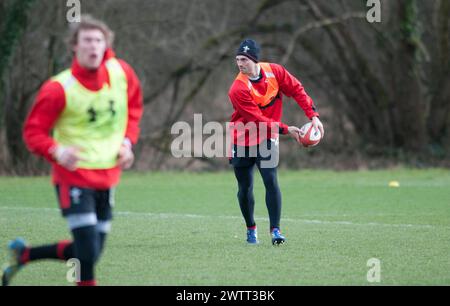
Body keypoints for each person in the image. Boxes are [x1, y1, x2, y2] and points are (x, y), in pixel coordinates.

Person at [1, 15, 143, 286]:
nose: (93, 46)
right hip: (74, 178)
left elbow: (134, 108)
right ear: (74, 47)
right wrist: (57, 151)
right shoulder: (58, 88)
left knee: (90, 251)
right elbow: (33, 133)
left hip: (108, 176)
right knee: (87, 253)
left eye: (98, 40)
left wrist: (127, 143)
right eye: (87, 40)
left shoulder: (122, 73)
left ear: (106, 46)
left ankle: (24, 255)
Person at [228, 39, 324, 245]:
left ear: (254, 59)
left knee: (271, 181)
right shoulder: (237, 89)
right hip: (243, 139)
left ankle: (275, 231)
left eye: (243, 59)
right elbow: (257, 120)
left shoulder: (275, 72)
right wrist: (286, 129)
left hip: (267, 138)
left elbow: (297, 89)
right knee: (245, 188)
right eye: (237, 60)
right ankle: (251, 228)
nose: (239, 63)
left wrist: (313, 115)